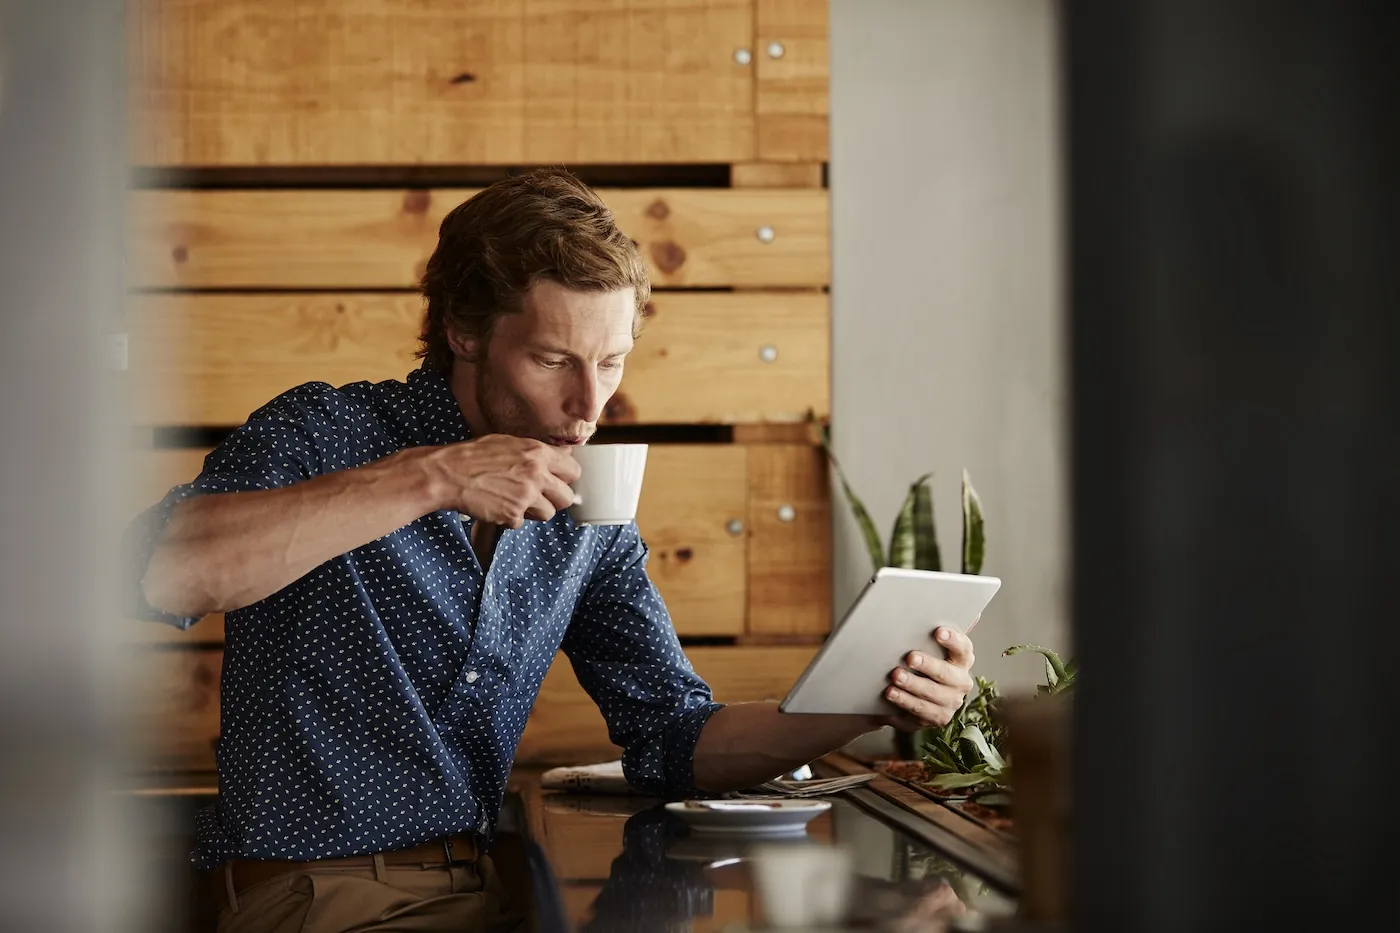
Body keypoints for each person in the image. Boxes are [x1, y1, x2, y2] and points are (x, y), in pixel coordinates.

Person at [124, 168, 978, 933]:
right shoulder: (330, 433)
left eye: (610, 362)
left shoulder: (585, 513)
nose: (588, 405)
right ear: (463, 329)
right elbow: (160, 573)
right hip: (316, 896)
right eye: (552, 359)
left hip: (492, 886)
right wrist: (434, 478)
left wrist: (872, 698)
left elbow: (673, 734)